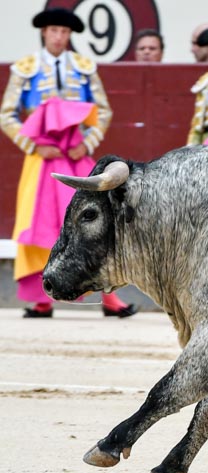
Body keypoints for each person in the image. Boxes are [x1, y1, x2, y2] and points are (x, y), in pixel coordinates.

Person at [0, 7, 136, 318]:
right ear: (44, 33)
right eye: (53, 31)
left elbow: (103, 111)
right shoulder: (25, 68)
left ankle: (108, 299)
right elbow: (6, 114)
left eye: (64, 32)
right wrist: (31, 145)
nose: (59, 37)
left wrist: (86, 143)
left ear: (69, 35)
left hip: (76, 156)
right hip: (40, 159)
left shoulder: (83, 67)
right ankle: (41, 299)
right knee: (39, 225)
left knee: (90, 224)